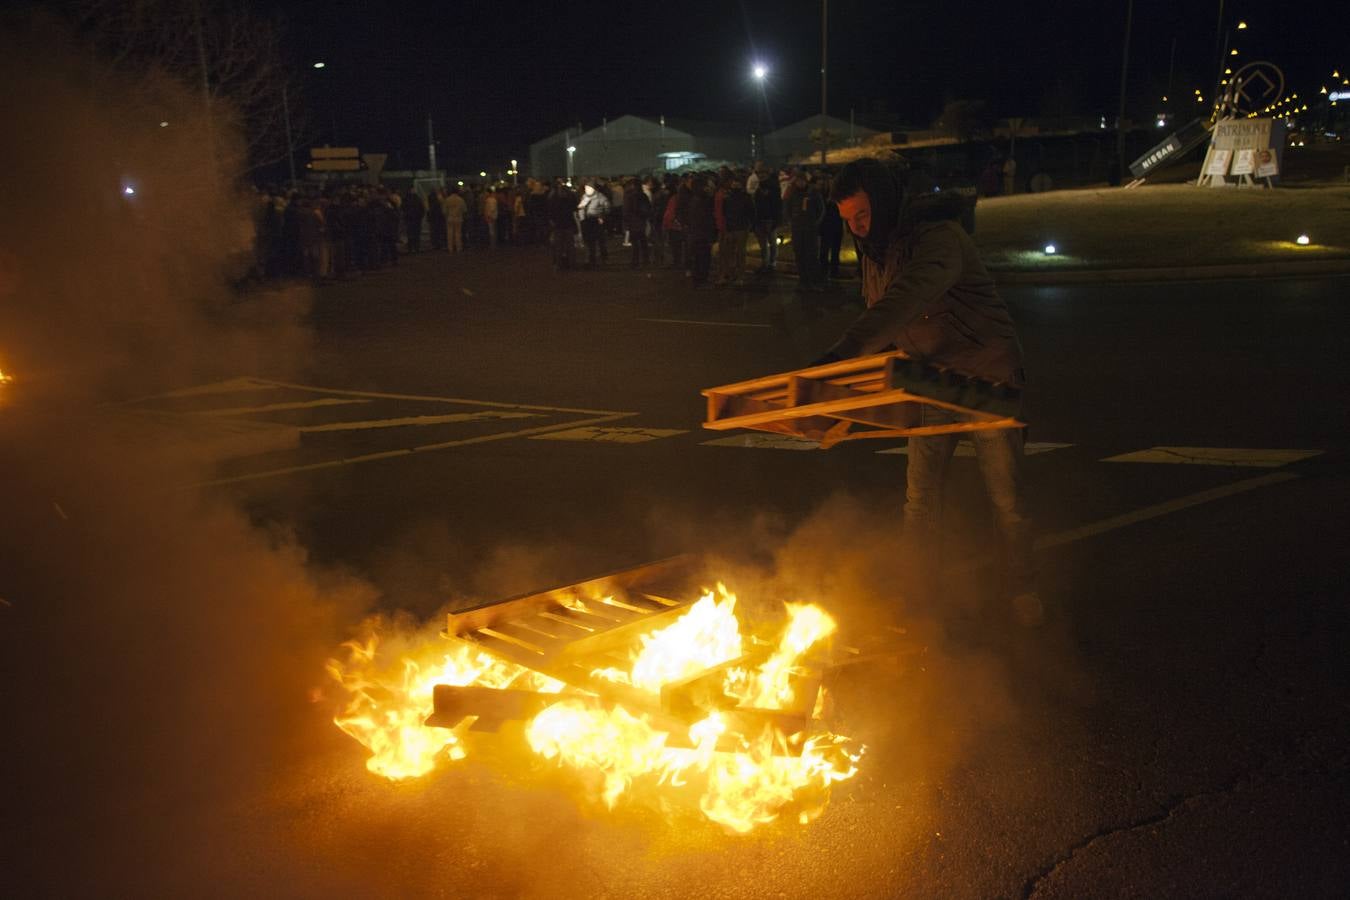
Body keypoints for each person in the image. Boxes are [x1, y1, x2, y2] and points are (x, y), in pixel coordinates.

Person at [812, 158, 1039, 624]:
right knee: (920, 500)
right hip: (930, 382)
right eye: (848, 223)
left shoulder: (938, 239)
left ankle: (1022, 590)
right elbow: (891, 340)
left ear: (886, 202)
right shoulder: (874, 257)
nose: (857, 230)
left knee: (1007, 499)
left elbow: (903, 303)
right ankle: (918, 597)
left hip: (986, 380)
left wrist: (840, 356)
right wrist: (842, 403)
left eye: (862, 216)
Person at [786, 171, 823, 290]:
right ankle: (803, 280)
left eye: (802, 180)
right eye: (797, 181)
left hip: (810, 228)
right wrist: (791, 221)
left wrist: (815, 223)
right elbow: (787, 208)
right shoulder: (793, 193)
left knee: (811, 255)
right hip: (797, 229)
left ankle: (814, 280)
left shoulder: (813, 192)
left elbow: (821, 209)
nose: (799, 183)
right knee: (799, 254)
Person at [716, 175, 753, 287]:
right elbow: (725, 213)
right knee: (729, 253)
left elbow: (751, 212)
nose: (735, 185)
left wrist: (749, 225)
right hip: (731, 228)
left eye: (737, 183)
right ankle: (730, 275)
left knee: (740, 254)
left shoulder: (746, 197)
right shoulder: (728, 197)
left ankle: (740, 276)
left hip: (741, 228)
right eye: (734, 183)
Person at [752, 169, 782, 272]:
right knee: (763, 244)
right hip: (760, 218)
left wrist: (776, 219)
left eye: (762, 173)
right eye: (759, 174)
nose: (761, 175)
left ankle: (772, 263)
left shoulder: (773, 187)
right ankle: (765, 263)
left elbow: (777, 204)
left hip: (769, 218)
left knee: (772, 242)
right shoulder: (758, 187)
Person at [577, 181, 610, 268]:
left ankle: (603, 257)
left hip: (597, 221)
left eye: (588, 188)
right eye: (586, 188)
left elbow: (607, 208)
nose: (586, 190)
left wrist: (602, 217)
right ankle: (592, 259)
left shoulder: (600, 197)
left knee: (600, 240)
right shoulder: (584, 197)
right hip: (587, 222)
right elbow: (580, 208)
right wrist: (581, 216)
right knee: (590, 241)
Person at [622, 177, 651, 268]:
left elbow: (626, 210)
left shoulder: (629, 195)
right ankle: (646, 260)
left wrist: (626, 221)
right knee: (643, 241)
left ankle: (635, 261)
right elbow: (649, 208)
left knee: (635, 243)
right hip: (641, 220)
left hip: (633, 221)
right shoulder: (643, 195)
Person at [402, 188, 425, 253]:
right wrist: (420, 216)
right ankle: (416, 248)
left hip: (410, 219)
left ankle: (411, 248)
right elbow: (422, 208)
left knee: (410, 234)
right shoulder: (417, 198)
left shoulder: (406, 199)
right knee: (416, 234)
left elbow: (403, 208)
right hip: (416, 219)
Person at [444, 188, 467, 253]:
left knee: (450, 234)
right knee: (458, 233)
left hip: (450, 218)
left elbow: (445, 210)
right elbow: (464, 210)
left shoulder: (448, 199)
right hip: (458, 218)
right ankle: (458, 247)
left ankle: (450, 248)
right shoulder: (461, 200)